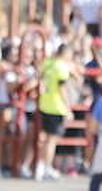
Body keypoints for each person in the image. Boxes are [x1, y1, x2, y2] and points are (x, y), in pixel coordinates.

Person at [36, 45, 77, 182]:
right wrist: (68, 108)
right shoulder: (61, 67)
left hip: (44, 103)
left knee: (45, 139)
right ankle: (46, 167)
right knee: (51, 140)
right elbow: (62, 89)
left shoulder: (47, 63)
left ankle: (41, 166)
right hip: (56, 106)